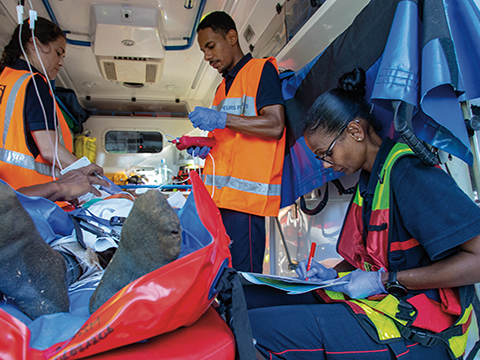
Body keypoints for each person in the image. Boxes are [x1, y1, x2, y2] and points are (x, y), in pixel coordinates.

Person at [244, 68, 480, 359]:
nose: (327, 165)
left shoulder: (409, 175)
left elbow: (478, 261)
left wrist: (386, 281)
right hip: (385, 303)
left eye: (327, 153)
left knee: (256, 331)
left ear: (355, 131)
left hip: (424, 330)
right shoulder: (371, 180)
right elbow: (374, 255)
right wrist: (333, 275)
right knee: (246, 301)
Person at [0, 165, 182, 319]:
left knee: (61, 245)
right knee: (59, 243)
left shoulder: (138, 205)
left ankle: (59, 275)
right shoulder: (89, 202)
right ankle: (115, 290)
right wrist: (60, 188)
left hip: (84, 235)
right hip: (79, 230)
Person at [188, 11, 286, 273]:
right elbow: (227, 138)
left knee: (244, 280)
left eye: (210, 46)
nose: (207, 56)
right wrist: (203, 145)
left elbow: (275, 125)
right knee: (224, 276)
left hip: (245, 204)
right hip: (219, 201)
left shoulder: (261, 70)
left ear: (232, 37)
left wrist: (221, 119)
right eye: (203, 51)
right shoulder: (222, 88)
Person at [0, 16, 80, 189]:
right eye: (58, 53)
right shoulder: (34, 83)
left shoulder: (5, 79)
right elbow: (49, 149)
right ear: (34, 43)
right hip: (31, 197)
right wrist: (90, 173)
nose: (61, 63)